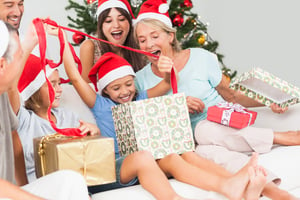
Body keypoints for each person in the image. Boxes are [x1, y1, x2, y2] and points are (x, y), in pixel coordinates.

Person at [47, 21, 270, 200]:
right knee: (146, 156)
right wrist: (61, 39)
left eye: (128, 84)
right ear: (105, 89)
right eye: (116, 88)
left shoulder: (140, 96)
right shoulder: (101, 104)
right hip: (119, 166)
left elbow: (166, 84)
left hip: (149, 162)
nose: (124, 92)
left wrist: (166, 69)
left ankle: (231, 183)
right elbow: (76, 78)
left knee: (176, 155)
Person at [133, 0, 300, 199]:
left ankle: (281, 136)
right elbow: (146, 124)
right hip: (191, 144)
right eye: (142, 40)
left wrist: (268, 101)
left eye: (154, 36)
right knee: (209, 153)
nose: (148, 44)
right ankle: (276, 191)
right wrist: (176, 106)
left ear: (170, 36)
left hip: (221, 124)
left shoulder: (201, 58)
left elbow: (231, 95)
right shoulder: (141, 80)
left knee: (204, 129)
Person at [0, 20, 90, 200]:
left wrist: (24, 185)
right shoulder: (18, 106)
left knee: (71, 180)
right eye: (19, 58)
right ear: (2, 65)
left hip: (13, 188)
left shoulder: (3, 97)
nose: (21, 66)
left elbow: (15, 140)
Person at [8, 53, 100, 182]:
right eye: (53, 84)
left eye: (59, 83)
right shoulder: (24, 119)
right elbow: (11, 89)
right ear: (34, 89)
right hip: (42, 187)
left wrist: (94, 133)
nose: (60, 89)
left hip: (75, 183)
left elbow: (86, 156)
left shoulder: (68, 117)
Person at [80, 0, 145, 83]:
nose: (116, 25)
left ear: (130, 23)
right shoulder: (90, 47)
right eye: (108, 21)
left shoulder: (141, 44)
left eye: (121, 19)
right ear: (101, 26)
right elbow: (86, 89)